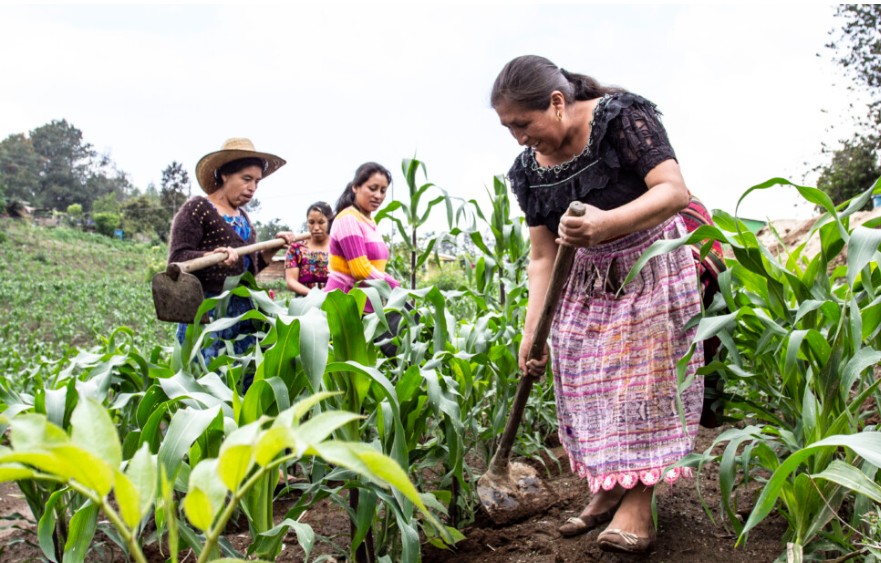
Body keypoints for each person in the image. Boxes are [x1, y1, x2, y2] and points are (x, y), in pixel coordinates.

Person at [492, 55, 705, 554]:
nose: (518, 138)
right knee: (586, 378)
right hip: (584, 279)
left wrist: (604, 226)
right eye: (507, 128)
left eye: (523, 124)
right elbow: (543, 256)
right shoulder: (527, 171)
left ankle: (638, 504)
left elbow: (674, 192)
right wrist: (531, 332)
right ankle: (609, 489)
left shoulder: (621, 119)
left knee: (639, 383)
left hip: (649, 262)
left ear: (558, 102)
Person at [168, 137, 295, 377]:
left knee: (241, 380)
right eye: (246, 179)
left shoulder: (244, 218)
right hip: (207, 314)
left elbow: (247, 272)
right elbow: (177, 260)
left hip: (241, 313)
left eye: (257, 181)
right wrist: (210, 256)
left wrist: (268, 252)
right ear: (225, 175)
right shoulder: (197, 209)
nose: (252, 188)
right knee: (208, 383)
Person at [324, 162, 400, 307]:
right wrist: (393, 286)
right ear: (355, 187)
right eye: (373, 188)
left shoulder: (369, 221)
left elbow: (376, 268)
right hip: (344, 306)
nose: (378, 196)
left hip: (366, 305)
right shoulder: (348, 219)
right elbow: (361, 270)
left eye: (383, 191)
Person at [285, 201, 332, 295]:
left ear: (330, 222)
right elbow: (291, 281)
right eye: (311, 222)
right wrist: (313, 295)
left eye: (321, 222)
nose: (316, 227)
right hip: (304, 304)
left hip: (334, 302)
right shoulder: (296, 249)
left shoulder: (339, 248)